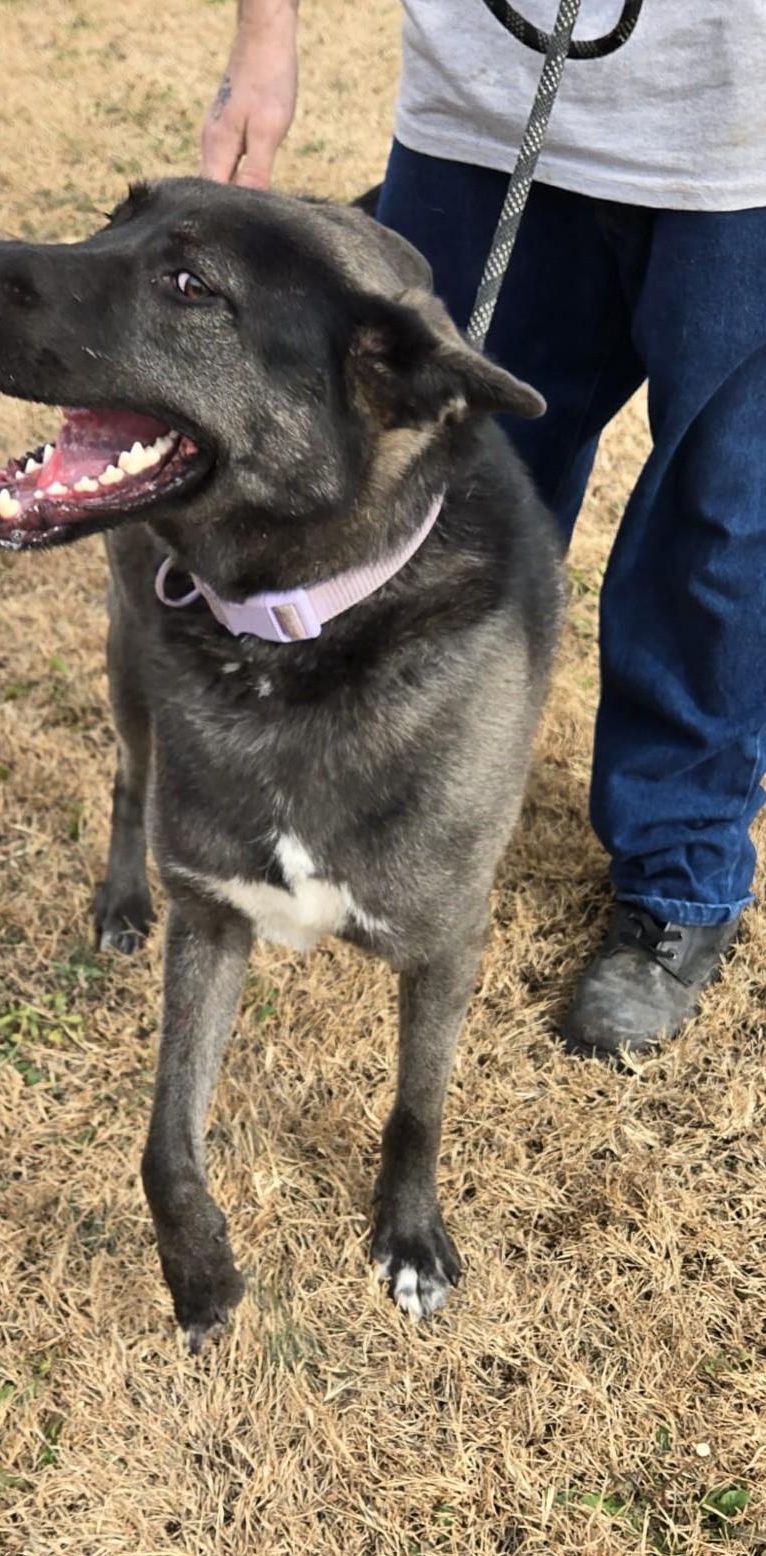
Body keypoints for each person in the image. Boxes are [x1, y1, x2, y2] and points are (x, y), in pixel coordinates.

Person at [200, 0, 766, 1057]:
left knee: (725, 526)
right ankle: (376, 814)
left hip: (745, 140)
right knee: (433, 499)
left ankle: (681, 879)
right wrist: (262, 45)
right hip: (482, 112)